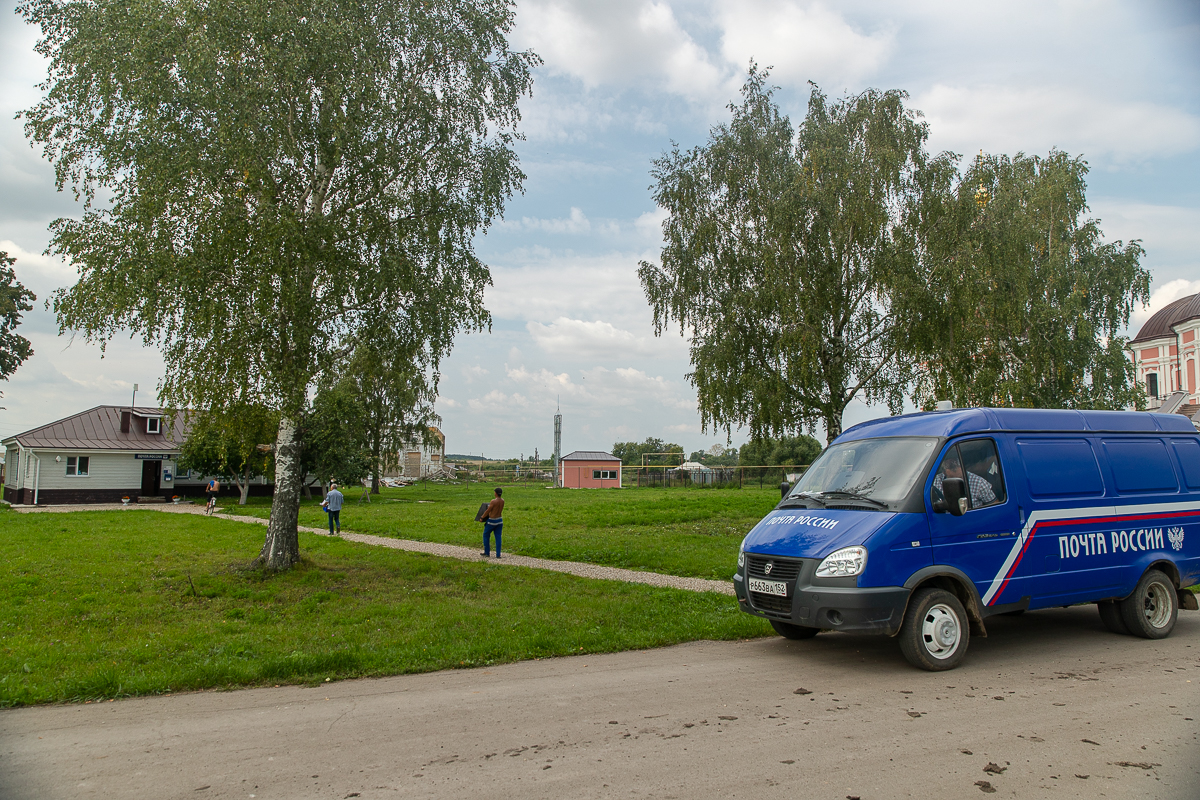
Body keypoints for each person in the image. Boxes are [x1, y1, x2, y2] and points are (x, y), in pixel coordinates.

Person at [481, 487, 504, 558]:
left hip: (492, 521)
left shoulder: (493, 501)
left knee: (486, 535)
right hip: (499, 520)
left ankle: (487, 552)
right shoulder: (502, 501)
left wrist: (482, 517)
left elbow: (488, 510)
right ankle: (498, 554)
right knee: (498, 537)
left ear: (496, 493)